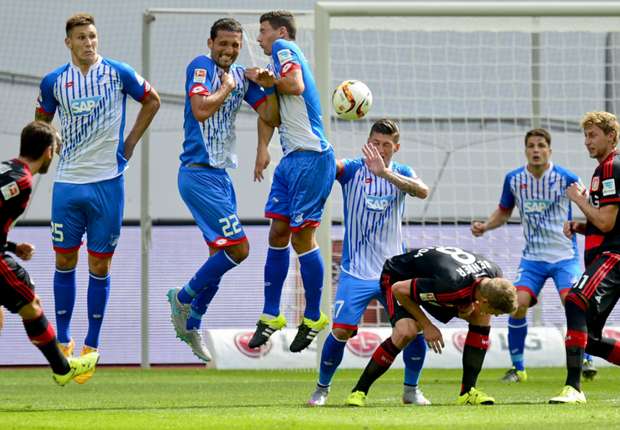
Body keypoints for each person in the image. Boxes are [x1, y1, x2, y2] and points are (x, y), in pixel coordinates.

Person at [35, 13, 160, 382]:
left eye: (92, 36)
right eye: (81, 37)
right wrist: (46, 152)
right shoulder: (55, 81)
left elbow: (151, 100)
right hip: (68, 184)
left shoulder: (118, 72)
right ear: (68, 43)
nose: (89, 42)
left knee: (100, 265)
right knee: (64, 259)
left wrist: (131, 142)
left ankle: (91, 345)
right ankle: (63, 341)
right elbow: (41, 122)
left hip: (108, 183)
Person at [166, 18, 279, 361]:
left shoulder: (241, 77)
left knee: (220, 254)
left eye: (234, 45)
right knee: (239, 248)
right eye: (223, 44)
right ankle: (183, 299)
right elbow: (200, 110)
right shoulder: (201, 67)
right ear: (211, 43)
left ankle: (192, 323)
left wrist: (270, 87)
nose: (229, 50)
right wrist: (229, 87)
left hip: (221, 177)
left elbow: (270, 115)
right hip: (197, 174)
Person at [307, 119, 431, 406]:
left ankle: (411, 390)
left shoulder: (400, 173)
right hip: (356, 272)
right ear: (368, 142)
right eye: (375, 143)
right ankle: (322, 389)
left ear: (395, 148)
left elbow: (422, 190)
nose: (380, 149)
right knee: (340, 331)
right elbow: (330, 165)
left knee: (413, 330)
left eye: (386, 145)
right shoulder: (352, 169)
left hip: (393, 274)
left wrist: (386, 174)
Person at [471, 128, 597, 382]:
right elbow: (504, 212)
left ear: (550, 150)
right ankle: (518, 369)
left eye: (541, 145)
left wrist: (584, 226)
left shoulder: (566, 178)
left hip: (564, 256)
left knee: (572, 303)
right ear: (525, 150)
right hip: (533, 259)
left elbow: (590, 206)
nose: (536, 150)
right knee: (517, 305)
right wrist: (485, 226)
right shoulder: (514, 179)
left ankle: (585, 357)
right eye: (531, 146)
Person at [244, 10, 336, 352]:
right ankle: (271, 315)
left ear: (281, 31)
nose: (259, 39)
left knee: (302, 237)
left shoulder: (285, 48)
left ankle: (314, 316)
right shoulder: (276, 69)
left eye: (263, 31)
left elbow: (295, 86)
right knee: (277, 232)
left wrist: (267, 80)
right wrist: (262, 148)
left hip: (312, 157)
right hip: (291, 160)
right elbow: (272, 113)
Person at [344, 246, 518, 407]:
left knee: (481, 318)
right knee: (406, 331)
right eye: (497, 312)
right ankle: (359, 391)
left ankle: (467, 393)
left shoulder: (495, 275)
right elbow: (399, 289)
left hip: (437, 279)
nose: (496, 315)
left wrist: (466, 304)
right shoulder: (451, 286)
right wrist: (427, 325)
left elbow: (471, 291)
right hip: (397, 277)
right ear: (484, 300)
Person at [0, 121, 99, 385]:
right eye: (54, 149)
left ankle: (62, 367)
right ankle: (63, 368)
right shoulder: (21, 181)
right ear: (48, 152)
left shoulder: (8, 167)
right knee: (30, 305)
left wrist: (11, 247)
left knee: (24, 305)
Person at [550, 111, 620, 404]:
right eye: (585, 136)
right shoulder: (604, 169)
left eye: (593, 135)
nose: (586, 142)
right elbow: (605, 221)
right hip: (606, 254)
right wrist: (582, 226)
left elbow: (606, 223)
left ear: (611, 136)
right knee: (588, 337)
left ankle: (574, 388)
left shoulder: (610, 168)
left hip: (613, 257)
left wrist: (578, 200)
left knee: (575, 300)